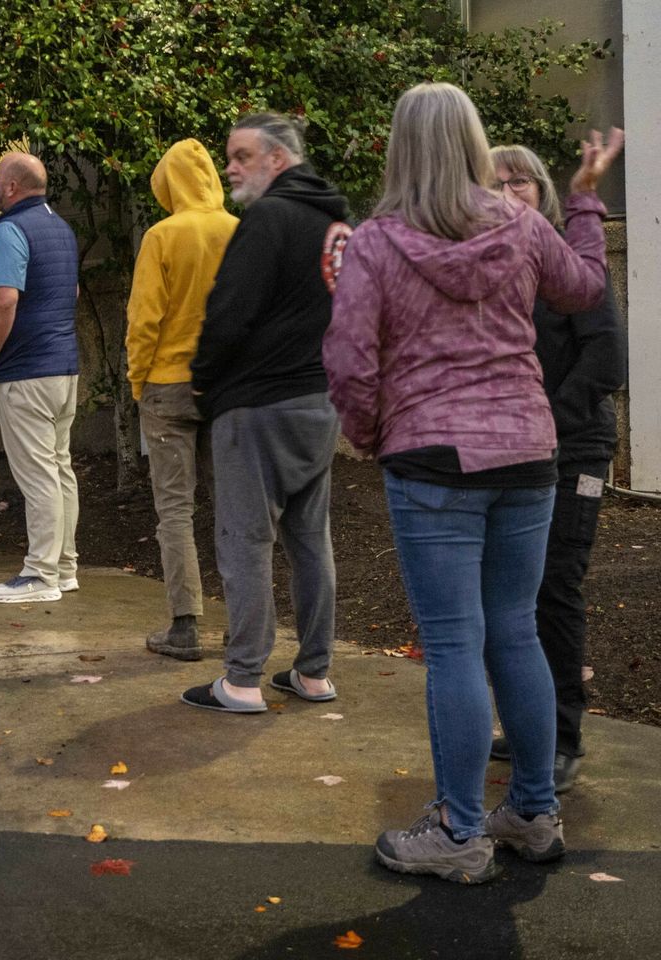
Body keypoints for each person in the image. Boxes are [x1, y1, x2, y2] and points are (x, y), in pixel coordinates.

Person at [324, 81, 621, 883]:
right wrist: (586, 203)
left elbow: (349, 359)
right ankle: (531, 811)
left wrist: (373, 435)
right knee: (515, 630)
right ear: (471, 142)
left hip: (433, 460)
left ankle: (459, 833)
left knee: (455, 643)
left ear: (400, 146)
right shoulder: (524, 225)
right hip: (529, 452)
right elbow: (586, 289)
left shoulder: (379, 243)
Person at [181, 113, 348, 713]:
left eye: (241, 155)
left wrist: (202, 380)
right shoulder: (336, 223)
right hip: (319, 401)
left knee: (245, 539)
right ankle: (313, 673)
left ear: (278, 158)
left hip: (258, 405)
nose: (230, 168)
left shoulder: (268, 218)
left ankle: (243, 679)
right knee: (309, 538)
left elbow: (230, 309)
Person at [486, 144, 628, 794]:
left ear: (541, 189)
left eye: (519, 180)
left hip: (574, 453)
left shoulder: (567, 262)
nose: (508, 190)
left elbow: (607, 363)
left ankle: (563, 738)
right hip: (518, 454)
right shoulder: (492, 266)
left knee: (556, 590)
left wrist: (541, 415)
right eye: (494, 182)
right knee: (513, 600)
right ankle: (526, 727)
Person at [126, 138, 239, 661]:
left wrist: (137, 382)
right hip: (227, 386)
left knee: (175, 509)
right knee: (233, 509)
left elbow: (144, 319)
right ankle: (242, 623)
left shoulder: (162, 235)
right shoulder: (239, 231)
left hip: (167, 385)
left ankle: (184, 624)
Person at [0, 152, 81, 603]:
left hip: (25, 372)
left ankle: (39, 575)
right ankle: (65, 567)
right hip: (63, 366)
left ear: (12, 186)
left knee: (37, 475)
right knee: (59, 468)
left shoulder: (11, 230)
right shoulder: (62, 228)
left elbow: (4, 299)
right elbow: (69, 290)